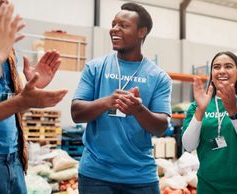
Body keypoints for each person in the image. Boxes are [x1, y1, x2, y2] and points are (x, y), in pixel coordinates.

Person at [0, 0, 68, 193]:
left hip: (13, 161)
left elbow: (12, 109)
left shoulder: (3, 43)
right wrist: (20, 101)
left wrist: (30, 91)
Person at [71, 2, 171, 194]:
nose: (114, 30)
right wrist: (106, 102)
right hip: (96, 175)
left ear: (142, 32)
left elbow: (160, 127)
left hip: (140, 176)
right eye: (113, 24)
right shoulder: (95, 67)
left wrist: (138, 110)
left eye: (123, 26)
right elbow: (76, 113)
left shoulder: (158, 77)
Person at [182, 51, 237, 194]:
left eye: (228, 66)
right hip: (209, 187)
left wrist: (234, 112)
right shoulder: (197, 105)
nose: (222, 71)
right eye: (216, 67)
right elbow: (189, 145)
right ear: (211, 74)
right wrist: (200, 110)